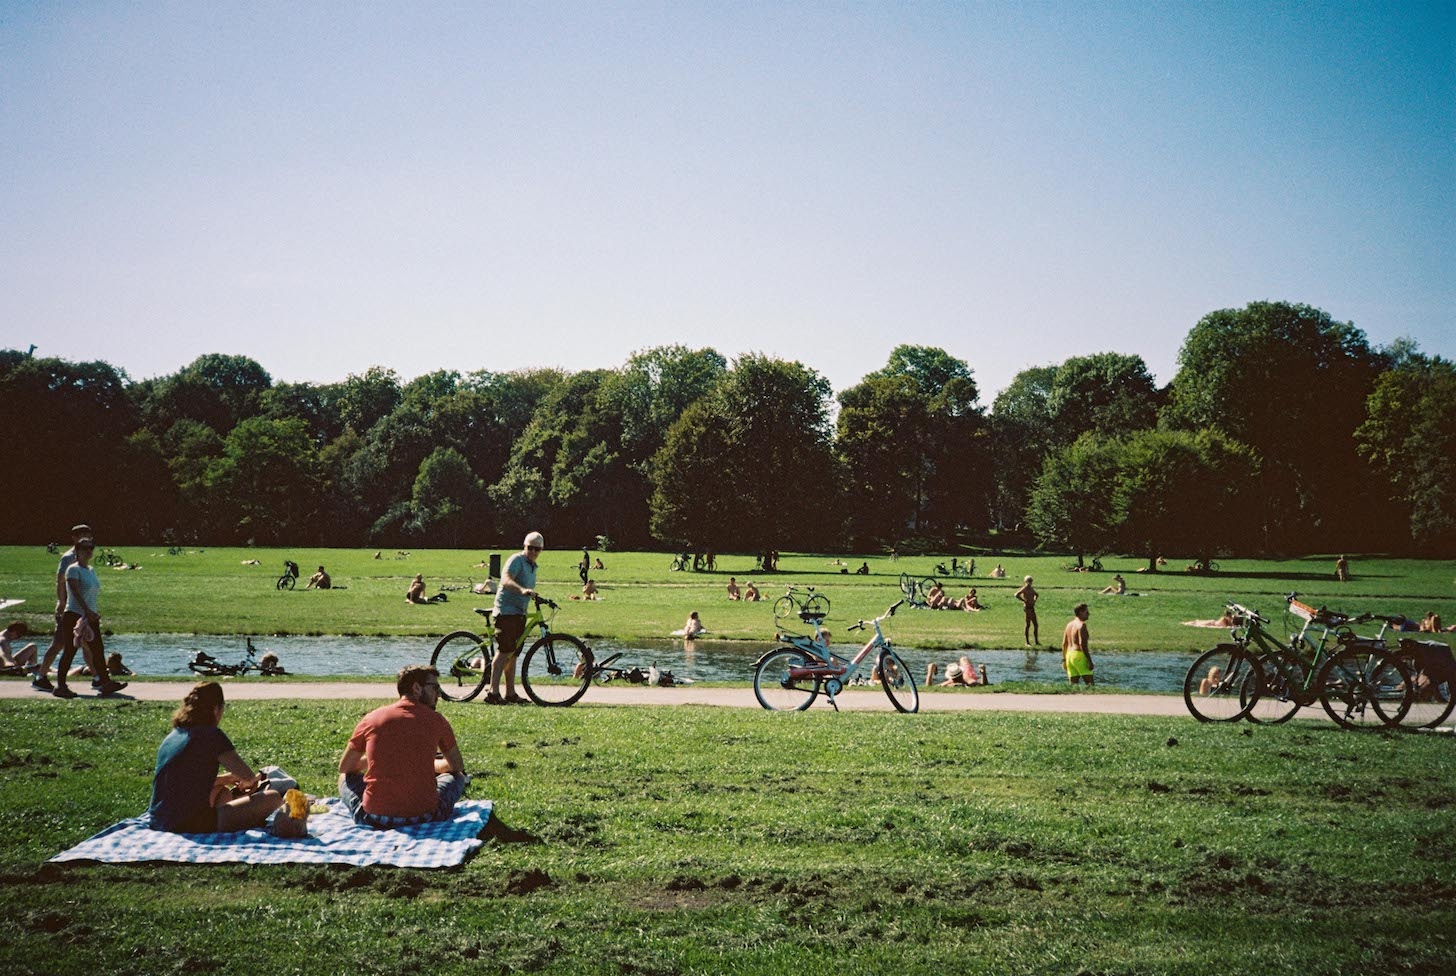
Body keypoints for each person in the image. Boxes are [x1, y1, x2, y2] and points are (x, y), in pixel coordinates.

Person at [338, 665, 467, 829]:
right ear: (416, 688)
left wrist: (376, 759)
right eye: (435, 687)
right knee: (457, 777)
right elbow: (457, 766)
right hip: (426, 816)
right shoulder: (437, 720)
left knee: (344, 778)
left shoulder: (372, 718)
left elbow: (345, 767)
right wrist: (431, 765)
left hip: (374, 818)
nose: (439, 693)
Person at [148, 682, 284, 834]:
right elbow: (248, 777)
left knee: (223, 792)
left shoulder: (175, 734)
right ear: (215, 709)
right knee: (273, 798)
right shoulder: (212, 735)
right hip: (189, 824)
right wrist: (247, 784)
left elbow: (186, 781)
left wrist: (227, 778)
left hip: (159, 819)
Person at [55, 538, 123, 697]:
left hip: (90, 616)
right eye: (85, 549)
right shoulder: (73, 569)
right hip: (74, 614)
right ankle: (60, 686)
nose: (89, 551)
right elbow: (75, 592)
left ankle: (105, 683)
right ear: (77, 551)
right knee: (70, 651)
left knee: (98, 650)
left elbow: (91, 594)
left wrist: (93, 612)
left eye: (91, 548)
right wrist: (87, 610)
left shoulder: (91, 570)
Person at [34, 524, 94, 690]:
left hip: (79, 609)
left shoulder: (83, 556)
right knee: (59, 643)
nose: (87, 538)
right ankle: (41, 676)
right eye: (83, 535)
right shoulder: (68, 557)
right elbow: (60, 581)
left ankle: (98, 677)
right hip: (70, 608)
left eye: (88, 535)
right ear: (74, 537)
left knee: (88, 643)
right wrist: (61, 602)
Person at [489, 532, 543, 705]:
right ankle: (493, 693)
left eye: (537, 549)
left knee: (513, 654)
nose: (533, 551)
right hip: (506, 611)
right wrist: (521, 590)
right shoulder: (516, 560)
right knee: (505, 650)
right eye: (530, 547)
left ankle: (510, 693)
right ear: (524, 546)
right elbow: (505, 580)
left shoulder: (533, 566)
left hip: (519, 612)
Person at [1062, 603, 1093, 686]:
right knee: (1090, 684)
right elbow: (1082, 644)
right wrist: (1090, 661)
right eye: (1086, 612)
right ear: (1080, 612)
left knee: (1073, 686)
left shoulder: (1069, 625)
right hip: (1078, 655)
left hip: (1069, 655)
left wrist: (1064, 660)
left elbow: (1064, 644)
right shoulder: (1082, 625)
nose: (1088, 614)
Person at [1014, 576, 1039, 646]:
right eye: (1029, 581)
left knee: (1036, 625)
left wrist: (1034, 600)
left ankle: (1036, 641)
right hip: (1027, 608)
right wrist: (1024, 600)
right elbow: (1016, 595)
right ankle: (1027, 642)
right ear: (1026, 582)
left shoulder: (1031, 589)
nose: (1030, 583)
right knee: (1028, 624)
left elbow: (1036, 594)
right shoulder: (1024, 589)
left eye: (1031, 581)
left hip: (1032, 607)